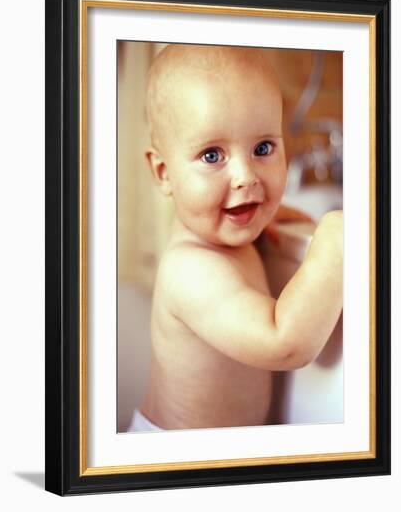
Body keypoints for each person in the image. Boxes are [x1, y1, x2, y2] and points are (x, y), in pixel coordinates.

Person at [127, 44, 343, 432]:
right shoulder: (192, 270)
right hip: (176, 459)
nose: (246, 176)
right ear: (163, 173)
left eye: (262, 148)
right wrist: (335, 237)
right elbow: (285, 342)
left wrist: (272, 219)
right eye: (212, 156)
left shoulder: (228, 236)